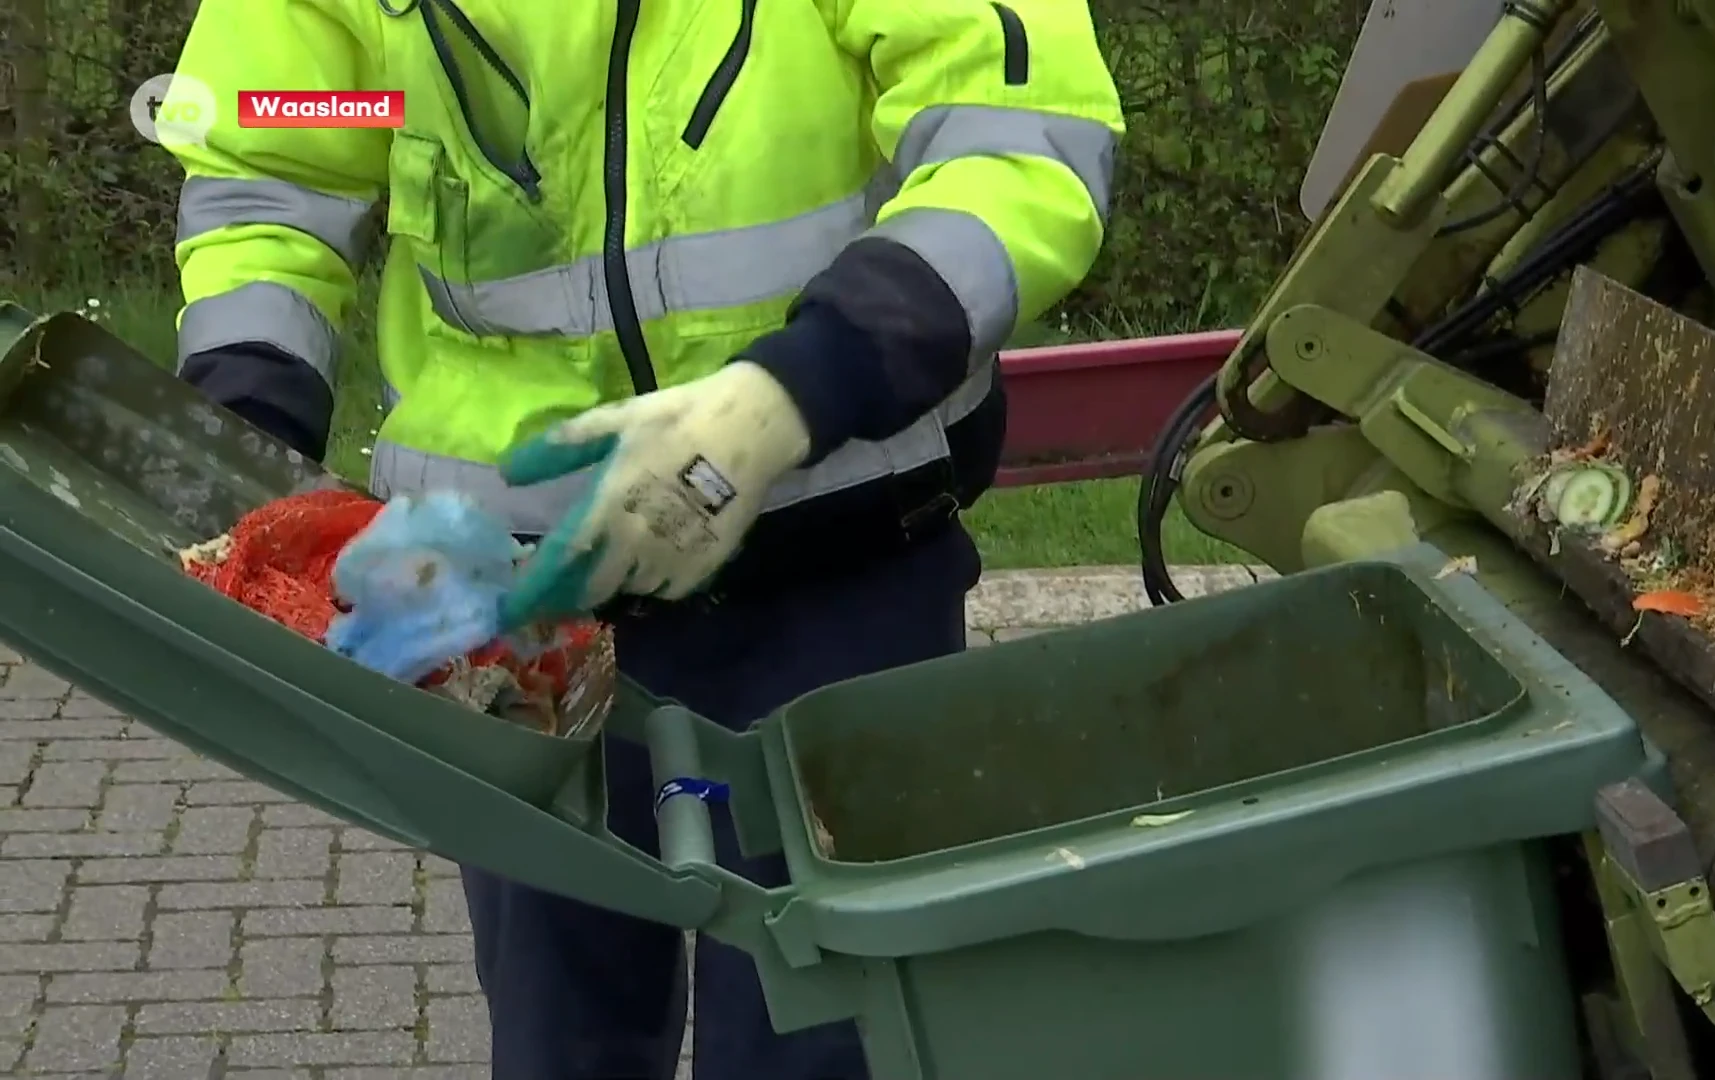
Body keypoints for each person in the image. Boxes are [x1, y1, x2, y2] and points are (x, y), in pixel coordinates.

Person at [160, 0, 1122, 1076]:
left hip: (838, 570)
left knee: (832, 1041)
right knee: (564, 1045)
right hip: (520, 616)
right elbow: (279, 168)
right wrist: (247, 417)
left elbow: (1015, 140)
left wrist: (796, 393)